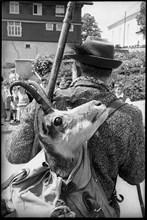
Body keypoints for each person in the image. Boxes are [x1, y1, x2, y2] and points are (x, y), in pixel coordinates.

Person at [5, 36, 145, 217]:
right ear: (110, 73)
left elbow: (15, 154)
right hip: (100, 211)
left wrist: (35, 113)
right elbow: (136, 176)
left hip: (52, 208)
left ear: (75, 68)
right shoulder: (130, 115)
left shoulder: (48, 102)